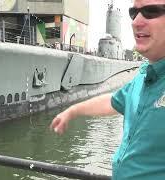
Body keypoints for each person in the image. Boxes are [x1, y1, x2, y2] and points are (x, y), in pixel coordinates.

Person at [50, 0, 165, 179]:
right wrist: (73, 111)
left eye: (151, 11)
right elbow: (113, 101)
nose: (136, 22)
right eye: (133, 13)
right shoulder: (143, 76)